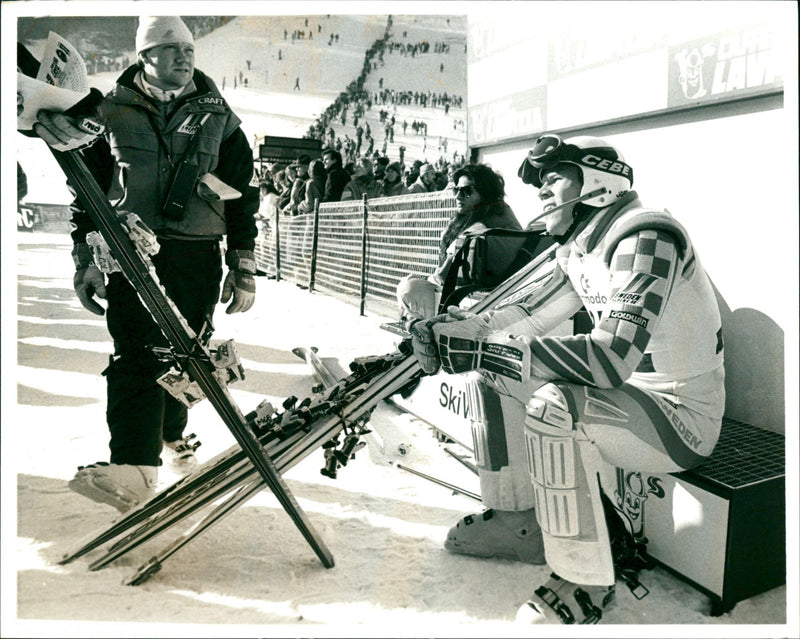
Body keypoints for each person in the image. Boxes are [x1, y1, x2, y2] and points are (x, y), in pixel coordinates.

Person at [409, 135, 725, 624]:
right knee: (491, 371)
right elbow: (524, 317)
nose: (541, 190)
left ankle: (588, 578)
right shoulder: (580, 245)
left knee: (554, 403)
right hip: (632, 403)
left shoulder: (647, 236)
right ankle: (519, 523)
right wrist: (462, 329)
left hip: (680, 417)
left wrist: (488, 346)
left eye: (554, 177)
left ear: (598, 180)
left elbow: (610, 359)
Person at [31, 16, 259, 512]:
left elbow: (244, 194)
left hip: (197, 254)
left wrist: (243, 264)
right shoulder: (108, 111)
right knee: (136, 352)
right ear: (144, 57)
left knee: (186, 355)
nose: (183, 57)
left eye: (189, 50)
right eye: (170, 48)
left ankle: (171, 434)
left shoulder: (221, 117)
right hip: (128, 249)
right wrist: (84, 259)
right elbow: (85, 194)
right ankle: (134, 469)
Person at [397, 163, 522, 324]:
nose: (458, 196)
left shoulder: (480, 228)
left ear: (485, 192)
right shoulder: (501, 213)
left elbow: (442, 276)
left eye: (466, 191)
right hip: (483, 296)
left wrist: (426, 280)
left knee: (408, 287)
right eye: (456, 190)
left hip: (472, 301)